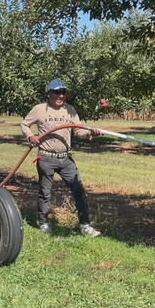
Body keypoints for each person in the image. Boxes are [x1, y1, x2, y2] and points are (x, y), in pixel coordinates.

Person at [20, 78, 102, 236]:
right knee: (45, 192)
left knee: (78, 190)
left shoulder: (70, 110)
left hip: (65, 159)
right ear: (49, 93)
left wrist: (90, 131)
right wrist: (31, 136)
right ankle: (43, 222)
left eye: (63, 92)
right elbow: (24, 124)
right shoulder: (39, 109)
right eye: (57, 92)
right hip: (45, 158)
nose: (60, 95)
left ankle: (85, 225)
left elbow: (79, 131)